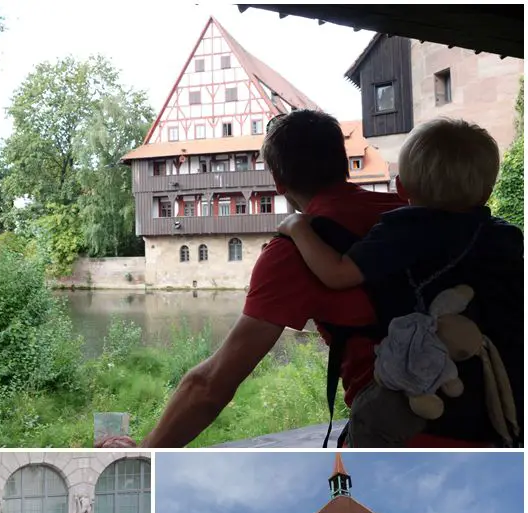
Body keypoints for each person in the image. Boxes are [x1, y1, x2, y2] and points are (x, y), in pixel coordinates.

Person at [127, 109, 514, 449]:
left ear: (278, 182)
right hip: (497, 417)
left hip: (402, 433)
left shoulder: (295, 249)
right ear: (343, 163)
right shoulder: (416, 213)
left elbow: (210, 386)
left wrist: (146, 451)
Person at [278, 117, 522, 447]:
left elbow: (336, 274)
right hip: (501, 398)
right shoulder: (508, 239)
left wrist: (296, 227)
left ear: (401, 188)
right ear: (488, 192)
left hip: (422, 407)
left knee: (366, 432)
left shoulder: (401, 231)